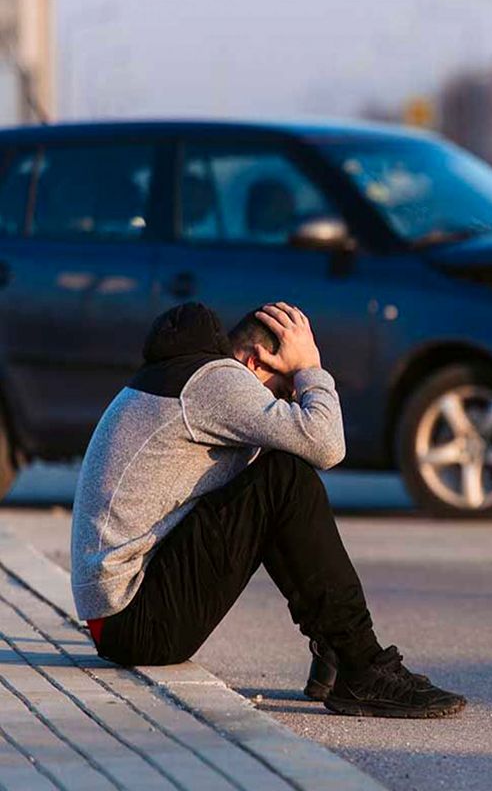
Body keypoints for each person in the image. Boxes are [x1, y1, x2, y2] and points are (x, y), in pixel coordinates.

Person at [70, 301, 466, 719]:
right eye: (283, 390)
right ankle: (362, 665)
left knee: (273, 474)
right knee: (284, 476)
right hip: (134, 620)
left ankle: (338, 651)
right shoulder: (218, 381)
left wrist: (294, 380)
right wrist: (310, 369)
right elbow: (328, 446)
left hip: (120, 617)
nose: (288, 400)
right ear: (254, 361)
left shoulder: (185, 377)